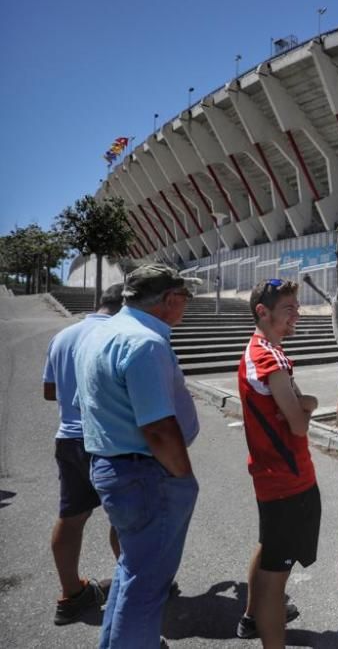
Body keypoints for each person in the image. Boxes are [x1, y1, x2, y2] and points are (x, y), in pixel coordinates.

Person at [75, 264, 201, 648]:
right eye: (184, 298)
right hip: (147, 474)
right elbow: (159, 429)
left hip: (115, 467)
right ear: (169, 299)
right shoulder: (144, 342)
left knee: (133, 572)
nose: (186, 306)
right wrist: (182, 477)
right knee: (146, 587)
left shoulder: (101, 333)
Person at [236, 279, 320, 645]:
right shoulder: (267, 357)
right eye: (289, 309)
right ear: (262, 312)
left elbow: (301, 408)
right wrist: (306, 405)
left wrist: (306, 403)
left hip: (278, 477)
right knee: (275, 580)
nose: (296, 316)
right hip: (286, 480)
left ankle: (251, 618)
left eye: (297, 308)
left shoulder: (268, 351)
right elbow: (299, 425)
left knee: (267, 548)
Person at [42, 283, 124, 626]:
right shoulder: (120, 333)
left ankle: (71, 594)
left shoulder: (64, 336)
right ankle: (135, 589)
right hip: (109, 440)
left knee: (71, 517)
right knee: (126, 519)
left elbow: (49, 391)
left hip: (69, 438)